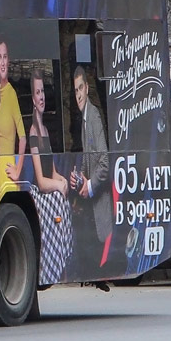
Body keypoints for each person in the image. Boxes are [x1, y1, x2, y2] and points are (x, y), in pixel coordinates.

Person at [5, 72, 74, 283]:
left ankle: (65, 262)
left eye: (43, 91)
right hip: (40, 196)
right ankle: (57, 264)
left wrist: (64, 180)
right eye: (37, 92)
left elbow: (52, 172)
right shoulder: (34, 132)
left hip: (49, 190)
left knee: (63, 198)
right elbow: (42, 181)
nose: (42, 96)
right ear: (33, 100)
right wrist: (59, 185)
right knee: (58, 201)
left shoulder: (45, 130)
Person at [70, 65, 116, 274]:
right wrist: (79, 175)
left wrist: (90, 184)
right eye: (75, 90)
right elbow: (90, 157)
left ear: (87, 88)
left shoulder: (94, 117)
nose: (78, 94)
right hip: (91, 203)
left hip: (100, 206)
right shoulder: (84, 118)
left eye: (81, 88)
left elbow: (105, 160)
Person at [0, 41, 25, 203]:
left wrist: (18, 169)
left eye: (5, 57)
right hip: (0, 171)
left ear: (8, 61)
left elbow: (23, 137)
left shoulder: (11, 93)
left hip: (10, 172)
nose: (3, 62)